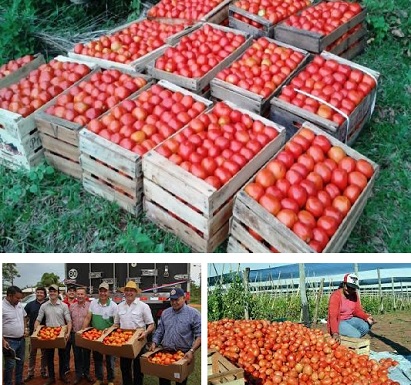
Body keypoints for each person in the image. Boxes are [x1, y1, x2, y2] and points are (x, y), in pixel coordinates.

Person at [150, 288, 201, 385]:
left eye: (176, 300)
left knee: (180, 380)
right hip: (166, 353)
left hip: (183, 354)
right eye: (172, 300)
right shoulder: (165, 313)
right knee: (164, 381)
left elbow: (200, 335)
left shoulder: (194, 314)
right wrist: (154, 342)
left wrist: (191, 351)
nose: (174, 302)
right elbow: (160, 330)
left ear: (184, 298)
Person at [113, 281, 155, 385]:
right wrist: (108, 330)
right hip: (123, 342)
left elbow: (151, 325)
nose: (129, 293)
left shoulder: (143, 306)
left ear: (136, 292)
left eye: (132, 290)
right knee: (125, 368)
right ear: (124, 292)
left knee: (138, 370)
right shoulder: (120, 306)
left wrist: (145, 333)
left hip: (139, 342)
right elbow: (116, 324)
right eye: (127, 290)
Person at [34, 284, 72, 385]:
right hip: (49, 334)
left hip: (61, 333)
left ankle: (62, 375)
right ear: (49, 293)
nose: (52, 293)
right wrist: (35, 331)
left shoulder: (63, 305)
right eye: (50, 291)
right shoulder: (44, 306)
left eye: (54, 291)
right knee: (49, 357)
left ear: (58, 293)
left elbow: (69, 321)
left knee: (63, 356)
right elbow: (38, 320)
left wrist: (68, 333)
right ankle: (51, 377)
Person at [82, 282, 118, 385]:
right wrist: (82, 330)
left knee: (109, 359)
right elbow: (88, 317)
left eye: (105, 291)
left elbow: (116, 323)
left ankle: (110, 380)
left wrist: (108, 330)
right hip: (96, 336)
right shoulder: (93, 303)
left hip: (109, 337)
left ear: (109, 292)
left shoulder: (114, 306)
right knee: (97, 358)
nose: (103, 293)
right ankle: (99, 379)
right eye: (101, 291)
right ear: (98, 292)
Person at [328, 273, 375, 342]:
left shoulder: (354, 295)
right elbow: (333, 316)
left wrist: (366, 317)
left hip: (350, 319)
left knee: (366, 327)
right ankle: (345, 339)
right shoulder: (336, 296)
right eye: (348, 287)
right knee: (356, 335)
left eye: (352, 288)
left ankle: (349, 340)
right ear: (344, 285)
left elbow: (357, 310)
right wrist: (335, 332)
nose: (350, 290)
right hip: (339, 321)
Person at [3, 286, 27, 385]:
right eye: (17, 298)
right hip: (9, 341)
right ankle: (8, 383)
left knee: (20, 362)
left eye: (20, 298)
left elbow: (24, 316)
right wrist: (2, 340)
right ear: (9, 295)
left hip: (21, 340)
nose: (19, 300)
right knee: (10, 365)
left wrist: (25, 329)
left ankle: (18, 381)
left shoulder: (19, 305)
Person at [24, 287, 49, 382]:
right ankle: (30, 373)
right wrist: (25, 328)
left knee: (44, 354)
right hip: (33, 333)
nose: (39, 294)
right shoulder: (30, 305)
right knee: (32, 353)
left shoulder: (48, 305)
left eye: (41, 293)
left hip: (45, 334)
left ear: (44, 294)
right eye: (37, 292)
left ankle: (43, 371)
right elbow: (25, 316)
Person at [69, 286, 93, 385]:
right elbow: (69, 321)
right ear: (75, 295)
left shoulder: (90, 306)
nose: (79, 296)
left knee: (86, 354)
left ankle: (86, 373)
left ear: (85, 295)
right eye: (78, 294)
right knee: (77, 354)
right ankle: (79, 374)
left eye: (82, 294)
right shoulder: (72, 306)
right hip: (75, 334)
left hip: (86, 335)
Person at [63, 285, 77, 377]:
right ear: (67, 293)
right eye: (70, 291)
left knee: (77, 352)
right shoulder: (62, 303)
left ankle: (78, 369)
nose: (71, 292)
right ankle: (66, 368)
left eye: (73, 291)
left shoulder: (78, 302)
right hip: (65, 331)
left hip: (75, 331)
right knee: (65, 352)